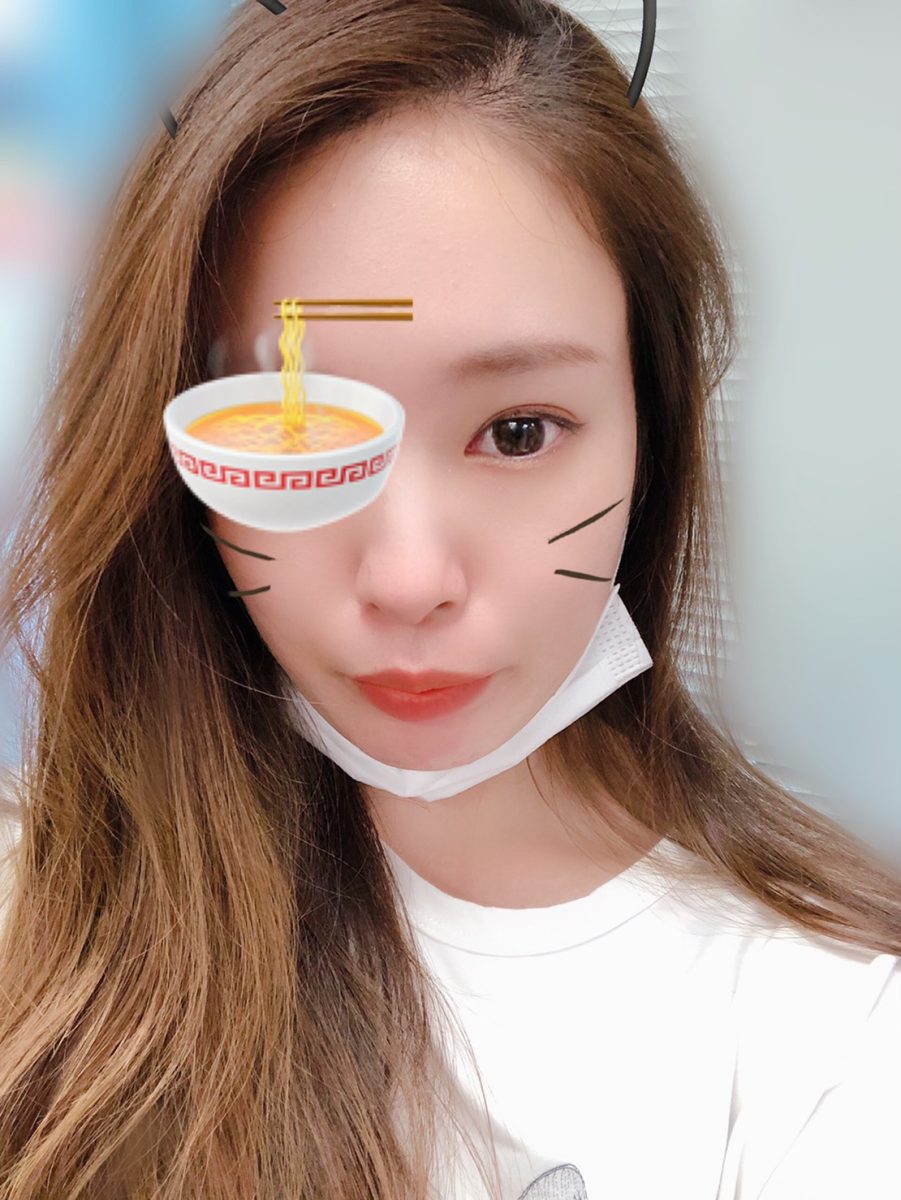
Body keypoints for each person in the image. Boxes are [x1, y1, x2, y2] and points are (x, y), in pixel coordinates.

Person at [0, 2, 898, 1198]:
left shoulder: (829, 1037)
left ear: (652, 434)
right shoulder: (41, 930)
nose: (411, 578)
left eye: (518, 432)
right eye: (294, 435)